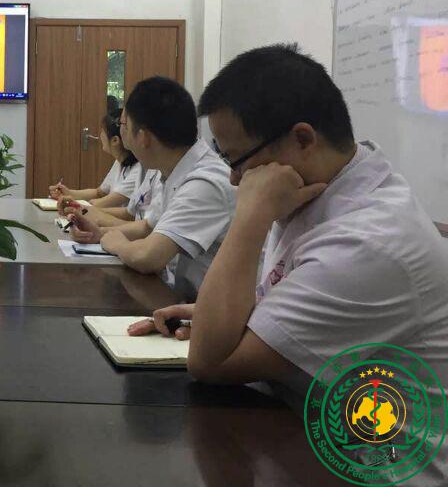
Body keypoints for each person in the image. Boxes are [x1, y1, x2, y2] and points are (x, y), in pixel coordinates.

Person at [130, 46, 448, 418]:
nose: (234, 179)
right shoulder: (317, 194)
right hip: (302, 419)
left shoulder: (367, 242)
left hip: (370, 452)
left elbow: (210, 362)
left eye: (236, 159)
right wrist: (222, 315)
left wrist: (249, 217)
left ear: (302, 140)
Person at [66, 77, 235, 301]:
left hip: (204, 306)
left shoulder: (205, 181)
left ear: (143, 137)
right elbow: (149, 227)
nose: (121, 133)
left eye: (125, 126)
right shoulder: (169, 170)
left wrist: (117, 244)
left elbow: (148, 257)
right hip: (180, 296)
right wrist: (99, 234)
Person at [49, 112, 142, 213]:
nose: (100, 136)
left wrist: (70, 204)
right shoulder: (119, 162)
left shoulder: (138, 170)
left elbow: (101, 203)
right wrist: (68, 193)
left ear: (115, 140)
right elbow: (99, 193)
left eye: (103, 132)